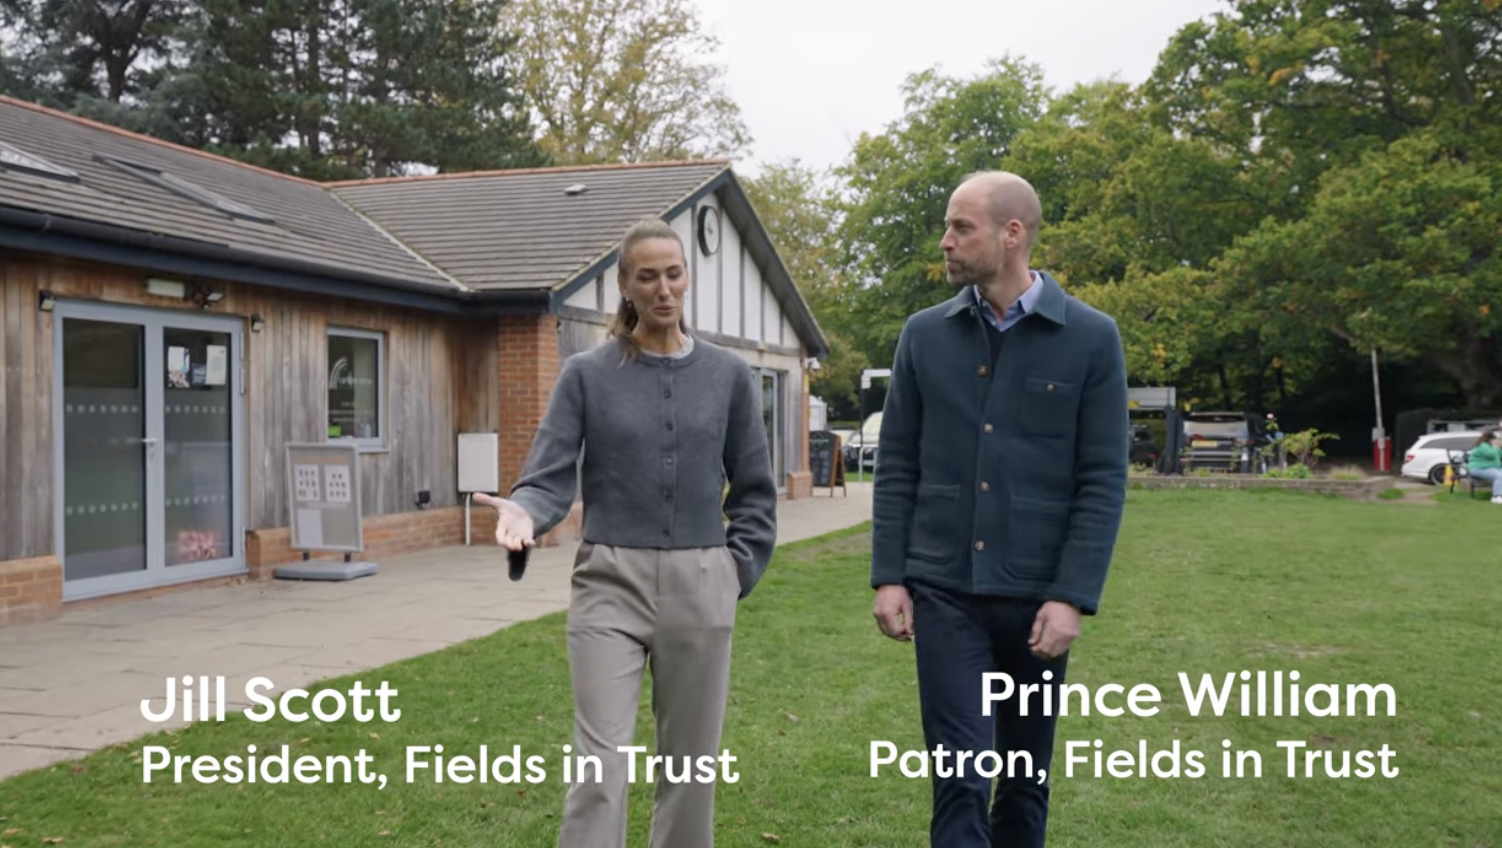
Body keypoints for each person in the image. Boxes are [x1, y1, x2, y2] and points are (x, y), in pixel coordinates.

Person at [474, 218, 778, 848]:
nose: (664, 289)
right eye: (648, 277)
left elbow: (754, 489)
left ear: (686, 277)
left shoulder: (728, 376)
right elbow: (547, 475)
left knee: (690, 768)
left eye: (673, 273)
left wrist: (733, 571)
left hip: (701, 583)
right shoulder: (587, 374)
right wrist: (525, 513)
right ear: (626, 285)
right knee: (599, 765)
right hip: (609, 582)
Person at [869, 171, 1129, 848]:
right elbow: (896, 463)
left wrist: (1072, 596)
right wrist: (890, 576)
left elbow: (1102, 479)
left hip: (1039, 599)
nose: (946, 242)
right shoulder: (923, 336)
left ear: (1012, 235)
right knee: (960, 775)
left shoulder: (1092, 338)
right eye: (949, 227)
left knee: (1023, 781)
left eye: (962, 228)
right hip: (945, 591)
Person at [1466, 429, 1502, 503]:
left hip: (1490, 468)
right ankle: (1496, 496)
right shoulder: (1483, 445)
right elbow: (1490, 455)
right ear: (1490, 439)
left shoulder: (1492, 447)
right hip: (1478, 468)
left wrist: (1499, 448)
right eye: (1494, 440)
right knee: (1499, 476)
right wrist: (1495, 447)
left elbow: (1499, 456)